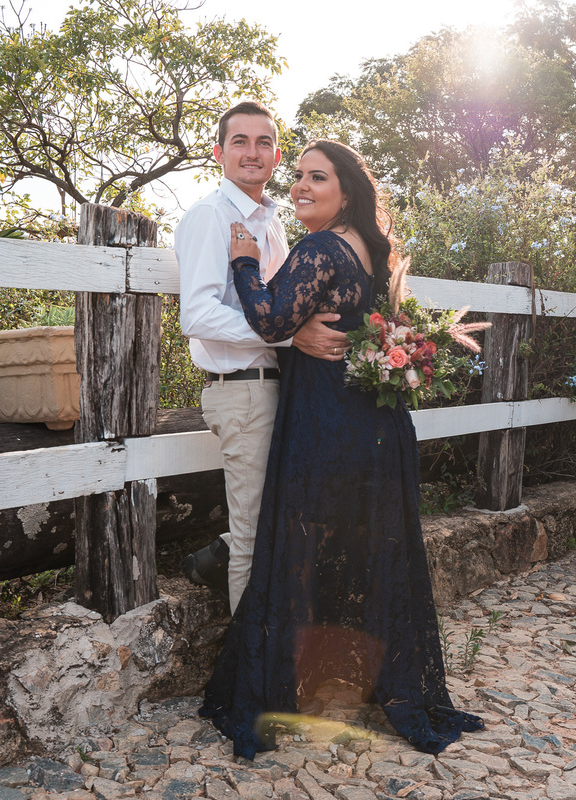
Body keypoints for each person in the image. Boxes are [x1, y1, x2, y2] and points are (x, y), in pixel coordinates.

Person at [199, 139, 484, 759]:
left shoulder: (322, 247)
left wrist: (246, 263)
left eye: (316, 178)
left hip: (327, 423)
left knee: (295, 543)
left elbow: (270, 321)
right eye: (297, 176)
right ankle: (345, 678)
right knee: (364, 552)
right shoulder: (369, 252)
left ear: (346, 190)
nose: (300, 186)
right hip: (374, 429)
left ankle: (278, 687)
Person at [176, 101, 349, 614]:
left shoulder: (273, 221)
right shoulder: (212, 216)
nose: (253, 152)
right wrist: (286, 337)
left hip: (281, 389)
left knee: (282, 522)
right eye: (239, 142)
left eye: (264, 143)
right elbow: (199, 316)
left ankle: (269, 640)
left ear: (276, 155)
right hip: (242, 388)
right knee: (252, 535)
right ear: (218, 153)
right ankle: (248, 676)